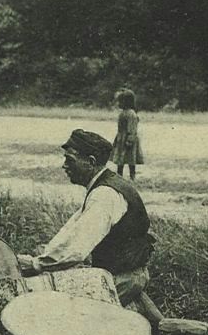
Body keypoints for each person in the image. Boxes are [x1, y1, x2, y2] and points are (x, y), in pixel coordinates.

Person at [17, 129, 158, 316]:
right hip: (128, 274)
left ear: (91, 162)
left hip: (123, 279)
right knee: (160, 327)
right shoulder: (103, 186)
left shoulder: (104, 195)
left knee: (73, 319)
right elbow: (74, 228)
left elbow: (77, 246)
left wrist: (37, 265)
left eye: (70, 160)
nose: (64, 166)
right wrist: (45, 255)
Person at [111, 89, 143, 180]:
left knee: (130, 159)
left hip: (128, 139)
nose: (119, 103)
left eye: (120, 101)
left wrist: (130, 140)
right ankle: (119, 176)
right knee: (120, 160)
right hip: (121, 139)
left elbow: (132, 129)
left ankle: (132, 176)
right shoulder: (123, 113)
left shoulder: (131, 114)